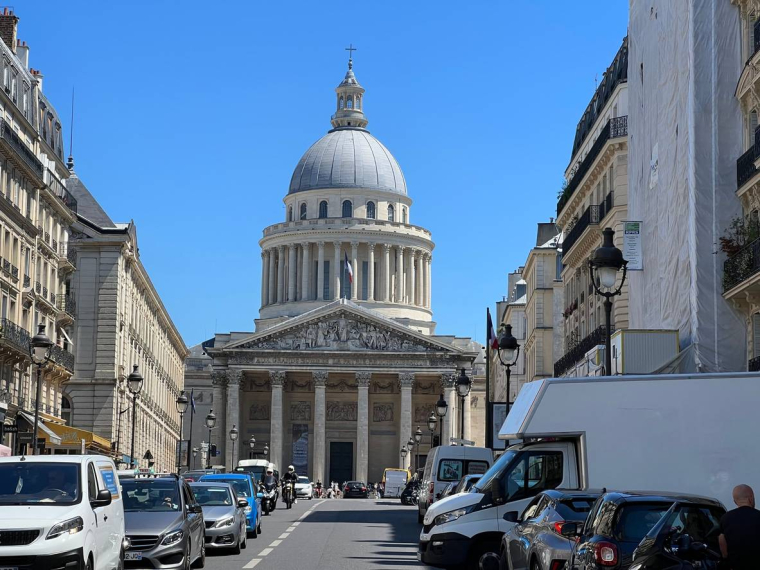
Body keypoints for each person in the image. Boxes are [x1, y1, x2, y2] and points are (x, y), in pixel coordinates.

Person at [719, 484, 760, 570]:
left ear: (735, 501)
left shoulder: (725, 518)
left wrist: (725, 558)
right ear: (751, 497)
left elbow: (722, 541)